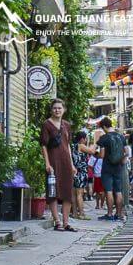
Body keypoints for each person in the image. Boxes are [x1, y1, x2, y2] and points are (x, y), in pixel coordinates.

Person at [39, 99, 77, 232]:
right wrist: (47, 163)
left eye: (59, 108)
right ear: (51, 110)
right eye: (55, 108)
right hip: (53, 161)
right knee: (53, 191)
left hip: (66, 161)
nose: (57, 110)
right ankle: (57, 221)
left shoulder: (66, 125)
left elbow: (68, 145)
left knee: (67, 191)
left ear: (64, 110)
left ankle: (66, 222)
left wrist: (72, 164)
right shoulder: (46, 124)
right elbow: (43, 145)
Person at [96, 117, 127, 221]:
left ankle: (109, 214)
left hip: (107, 167)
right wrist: (122, 161)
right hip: (118, 166)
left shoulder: (104, 138)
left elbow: (102, 155)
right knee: (118, 191)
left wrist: (97, 154)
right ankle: (118, 214)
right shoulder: (121, 137)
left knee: (108, 191)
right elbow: (126, 152)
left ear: (104, 126)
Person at [71, 131, 95, 220]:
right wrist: (96, 142)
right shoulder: (81, 145)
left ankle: (74, 213)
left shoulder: (73, 146)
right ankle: (81, 213)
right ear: (82, 139)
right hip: (81, 172)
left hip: (73, 171)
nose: (86, 140)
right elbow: (92, 151)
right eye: (85, 139)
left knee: (73, 193)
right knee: (79, 194)